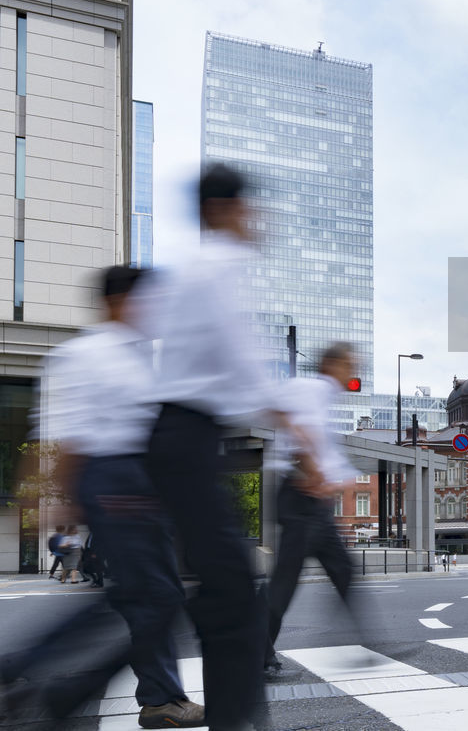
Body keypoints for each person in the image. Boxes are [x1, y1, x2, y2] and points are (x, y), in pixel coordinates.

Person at [135, 163, 311, 730]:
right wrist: (292, 419)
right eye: (245, 206)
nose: (255, 218)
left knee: (216, 589)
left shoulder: (200, 270)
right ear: (220, 211)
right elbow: (241, 364)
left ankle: (52, 690)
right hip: (186, 438)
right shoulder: (213, 271)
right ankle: (236, 722)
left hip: (185, 438)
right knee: (232, 593)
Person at [2, 265, 203, 728]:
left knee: (146, 595)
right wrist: (54, 499)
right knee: (154, 595)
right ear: (119, 301)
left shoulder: (135, 355)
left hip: (132, 480)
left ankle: (160, 698)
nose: (154, 310)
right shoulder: (88, 354)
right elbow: (66, 434)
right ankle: (158, 698)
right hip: (113, 479)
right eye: (146, 300)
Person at [263, 343, 364, 675]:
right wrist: (315, 473)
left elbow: (320, 447)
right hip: (301, 497)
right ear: (332, 364)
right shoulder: (311, 389)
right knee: (284, 584)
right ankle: (257, 655)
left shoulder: (321, 396)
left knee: (344, 572)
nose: (353, 373)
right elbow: (298, 436)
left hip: (313, 502)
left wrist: (334, 480)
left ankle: (364, 647)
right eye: (350, 365)